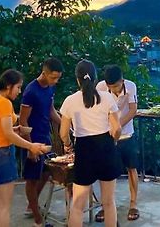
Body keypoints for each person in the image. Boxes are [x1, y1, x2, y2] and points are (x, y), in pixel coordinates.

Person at [0, 69, 50, 227]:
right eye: (18, 87)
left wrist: (16, 129)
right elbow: (7, 133)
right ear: (8, 86)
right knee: (4, 207)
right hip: (2, 154)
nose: (19, 91)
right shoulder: (5, 103)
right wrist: (31, 146)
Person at [59, 59, 122, 227]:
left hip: (84, 149)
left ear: (77, 79)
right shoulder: (107, 97)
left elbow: (63, 133)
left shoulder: (70, 101)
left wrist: (68, 145)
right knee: (108, 202)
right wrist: (114, 141)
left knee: (77, 206)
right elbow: (117, 128)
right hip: (106, 148)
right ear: (95, 78)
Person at [19, 57, 64, 226]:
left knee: (47, 173)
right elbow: (23, 120)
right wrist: (30, 146)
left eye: (58, 78)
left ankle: (32, 205)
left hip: (45, 136)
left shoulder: (50, 88)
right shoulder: (31, 91)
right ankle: (38, 218)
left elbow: (51, 110)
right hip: (32, 138)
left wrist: (65, 123)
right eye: (53, 77)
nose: (56, 81)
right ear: (44, 73)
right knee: (31, 178)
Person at [95, 65, 140, 222]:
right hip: (107, 135)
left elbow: (133, 110)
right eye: (110, 87)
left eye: (115, 86)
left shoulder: (130, 86)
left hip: (127, 134)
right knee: (106, 172)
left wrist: (117, 126)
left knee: (131, 168)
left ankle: (133, 203)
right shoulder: (100, 87)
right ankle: (105, 205)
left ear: (122, 80)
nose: (113, 89)